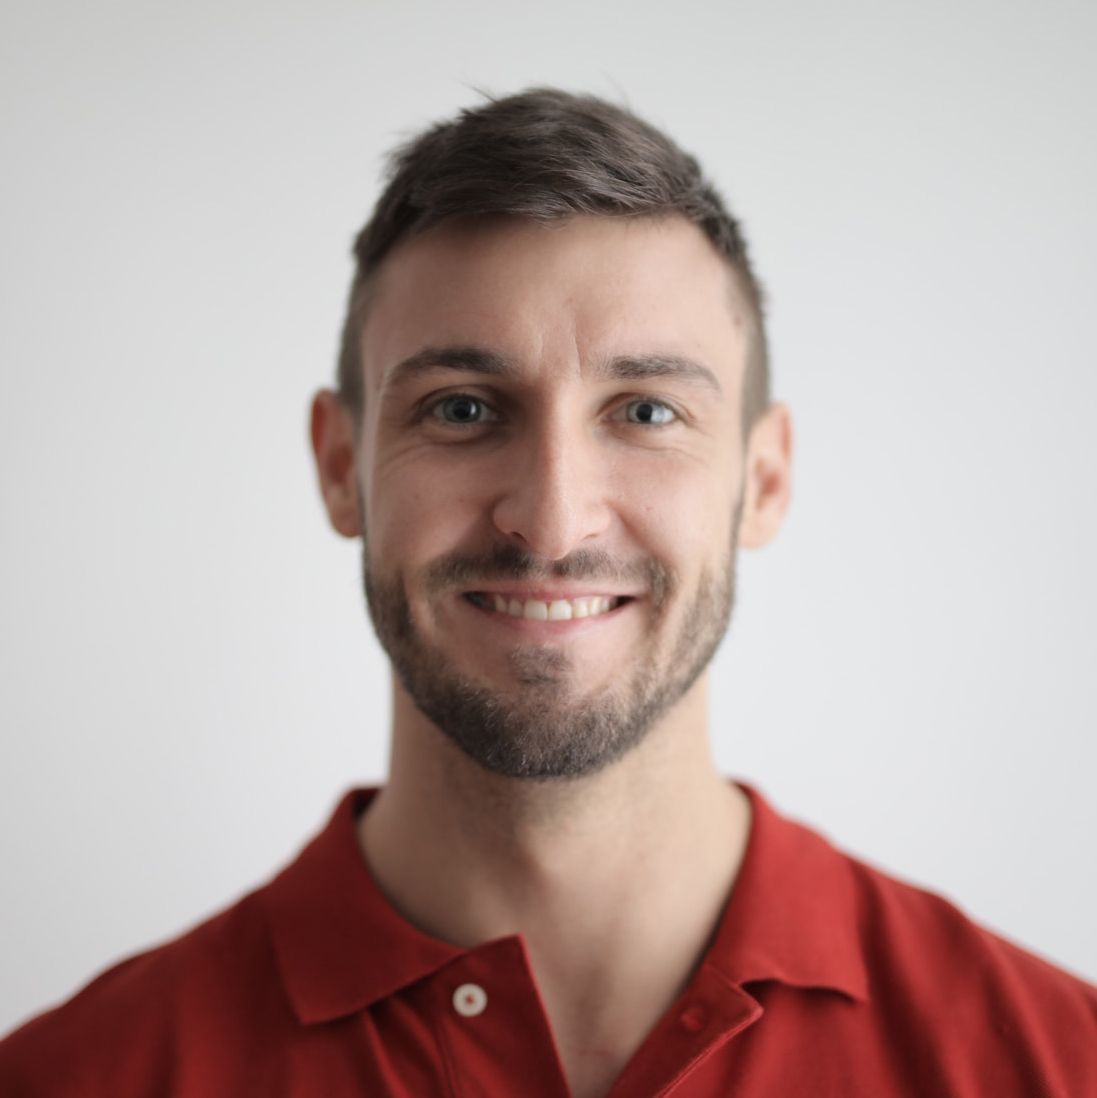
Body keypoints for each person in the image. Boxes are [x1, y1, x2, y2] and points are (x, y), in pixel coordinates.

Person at [1, 87, 1094, 1098]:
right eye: (463, 409)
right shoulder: (75, 1077)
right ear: (341, 466)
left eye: (645, 412)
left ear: (760, 483)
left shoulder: (1055, 1061)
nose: (553, 519)